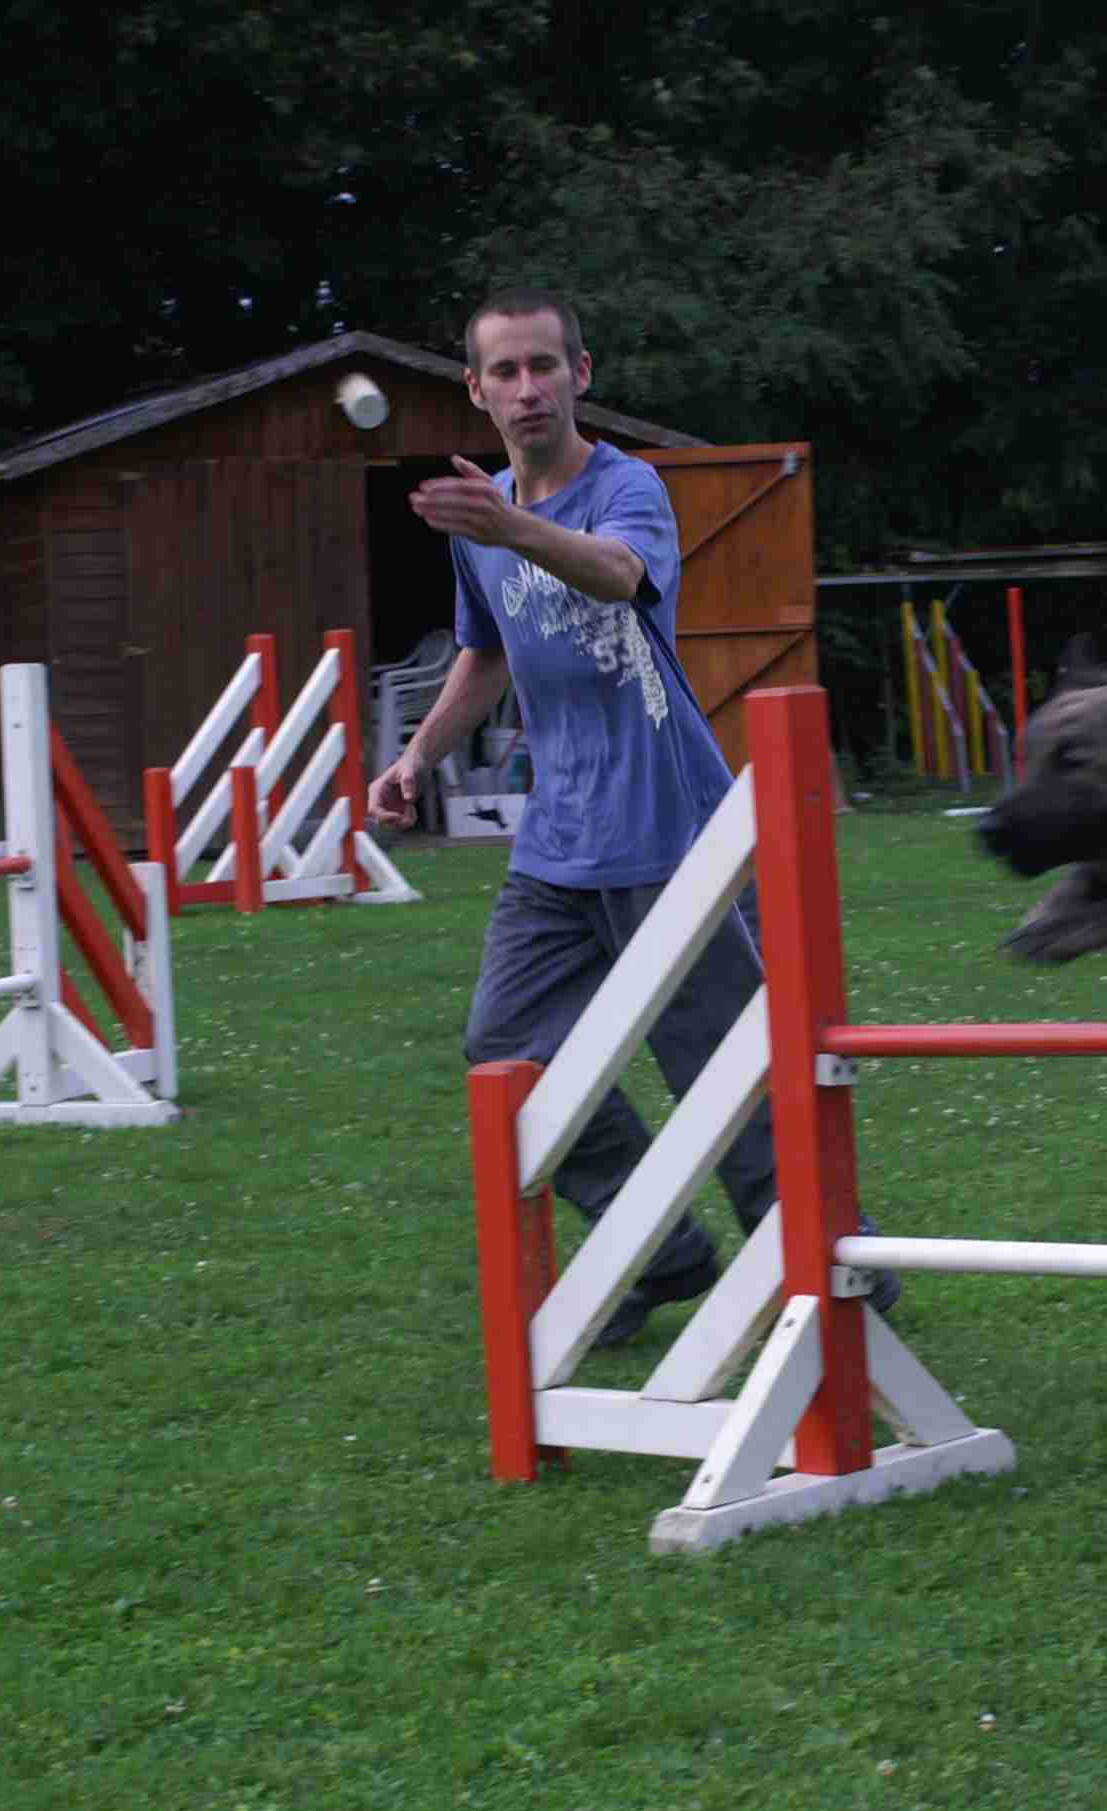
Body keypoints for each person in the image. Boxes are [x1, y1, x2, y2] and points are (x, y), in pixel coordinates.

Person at [370, 287, 896, 1347]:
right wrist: (418, 752)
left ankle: (836, 1268)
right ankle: (654, 1252)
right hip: (555, 843)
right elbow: (486, 651)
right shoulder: (484, 519)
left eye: (544, 366)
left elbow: (617, 576)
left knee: (719, 1064)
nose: (527, 388)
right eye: (505, 371)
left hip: (669, 830)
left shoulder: (626, 487)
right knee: (505, 1044)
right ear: (475, 390)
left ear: (581, 373)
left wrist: (508, 526)